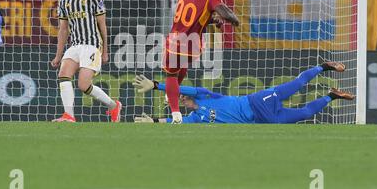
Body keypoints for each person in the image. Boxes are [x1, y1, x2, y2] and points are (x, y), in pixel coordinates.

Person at [132, 62, 355, 124]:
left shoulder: (205, 95)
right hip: (263, 119)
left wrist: (155, 85)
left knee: (297, 83)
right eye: (180, 99)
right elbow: (174, 120)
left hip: (257, 101)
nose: (181, 99)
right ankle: (332, 96)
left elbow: (180, 87)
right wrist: (153, 120)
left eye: (183, 97)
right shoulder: (195, 118)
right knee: (305, 114)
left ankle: (323, 67)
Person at [164, 0, 240, 124]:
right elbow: (225, 13)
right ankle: (172, 93)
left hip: (175, 42)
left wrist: (212, 19)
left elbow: (190, 17)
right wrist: (234, 19)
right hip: (193, 47)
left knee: (171, 75)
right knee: (182, 64)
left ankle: (176, 114)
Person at [50, 0, 121, 123]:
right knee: (63, 75)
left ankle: (113, 105)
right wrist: (58, 56)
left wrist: (105, 51)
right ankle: (69, 115)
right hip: (74, 45)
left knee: (83, 85)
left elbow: (102, 25)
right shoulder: (64, 0)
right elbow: (63, 30)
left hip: (92, 45)